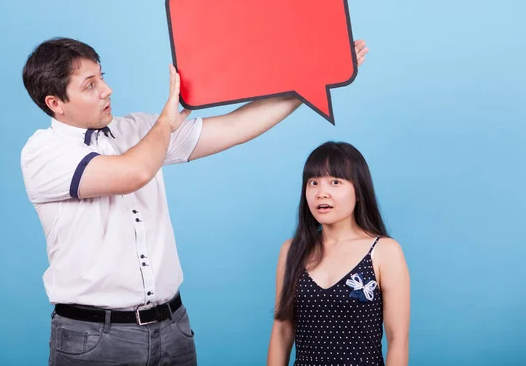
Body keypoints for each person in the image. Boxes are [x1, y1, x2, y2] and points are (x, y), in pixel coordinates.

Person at [20, 37, 369, 366]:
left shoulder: (137, 131)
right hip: (95, 337)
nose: (106, 90)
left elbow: (234, 127)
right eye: (89, 85)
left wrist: (313, 81)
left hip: (172, 327)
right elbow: (134, 172)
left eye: (102, 77)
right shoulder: (44, 153)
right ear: (55, 104)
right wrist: (166, 123)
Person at [267, 141, 410, 366]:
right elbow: (282, 330)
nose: (321, 193)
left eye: (335, 182)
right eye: (313, 182)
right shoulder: (291, 250)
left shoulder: (384, 251)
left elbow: (398, 340)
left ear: (359, 191)